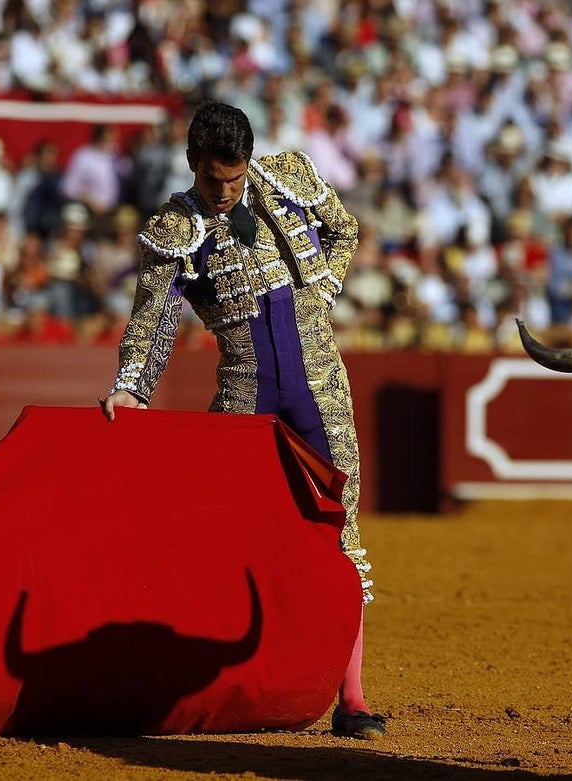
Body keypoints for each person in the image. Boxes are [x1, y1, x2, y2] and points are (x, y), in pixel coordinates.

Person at [98, 101, 383, 740]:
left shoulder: (289, 176)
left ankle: (353, 697)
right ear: (191, 163)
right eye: (212, 179)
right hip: (244, 395)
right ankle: (227, 684)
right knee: (228, 536)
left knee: (340, 534)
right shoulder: (175, 226)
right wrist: (132, 386)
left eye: (234, 178)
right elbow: (154, 316)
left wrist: (322, 292)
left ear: (249, 162)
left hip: (321, 388)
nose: (224, 192)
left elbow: (345, 230)